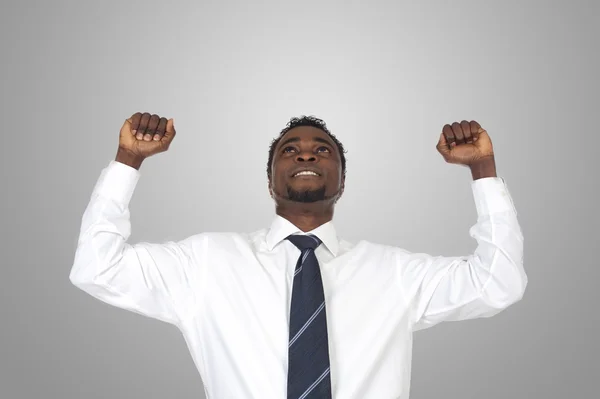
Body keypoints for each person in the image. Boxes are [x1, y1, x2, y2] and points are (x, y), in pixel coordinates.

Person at [70, 112, 527, 399]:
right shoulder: (207, 263)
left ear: (341, 181)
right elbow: (98, 267)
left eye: (321, 150)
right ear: (271, 181)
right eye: (289, 150)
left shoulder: (393, 273)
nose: (305, 154)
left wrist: (482, 171)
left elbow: (498, 283)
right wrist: (128, 160)